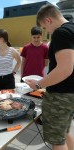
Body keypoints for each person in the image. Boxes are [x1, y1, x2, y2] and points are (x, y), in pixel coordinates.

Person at [25, 4, 74, 150]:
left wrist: (39, 84)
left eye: (45, 28)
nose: (47, 32)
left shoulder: (61, 32)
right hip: (70, 94)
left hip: (61, 96)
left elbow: (65, 69)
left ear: (48, 20)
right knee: (64, 132)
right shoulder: (72, 28)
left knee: (57, 141)